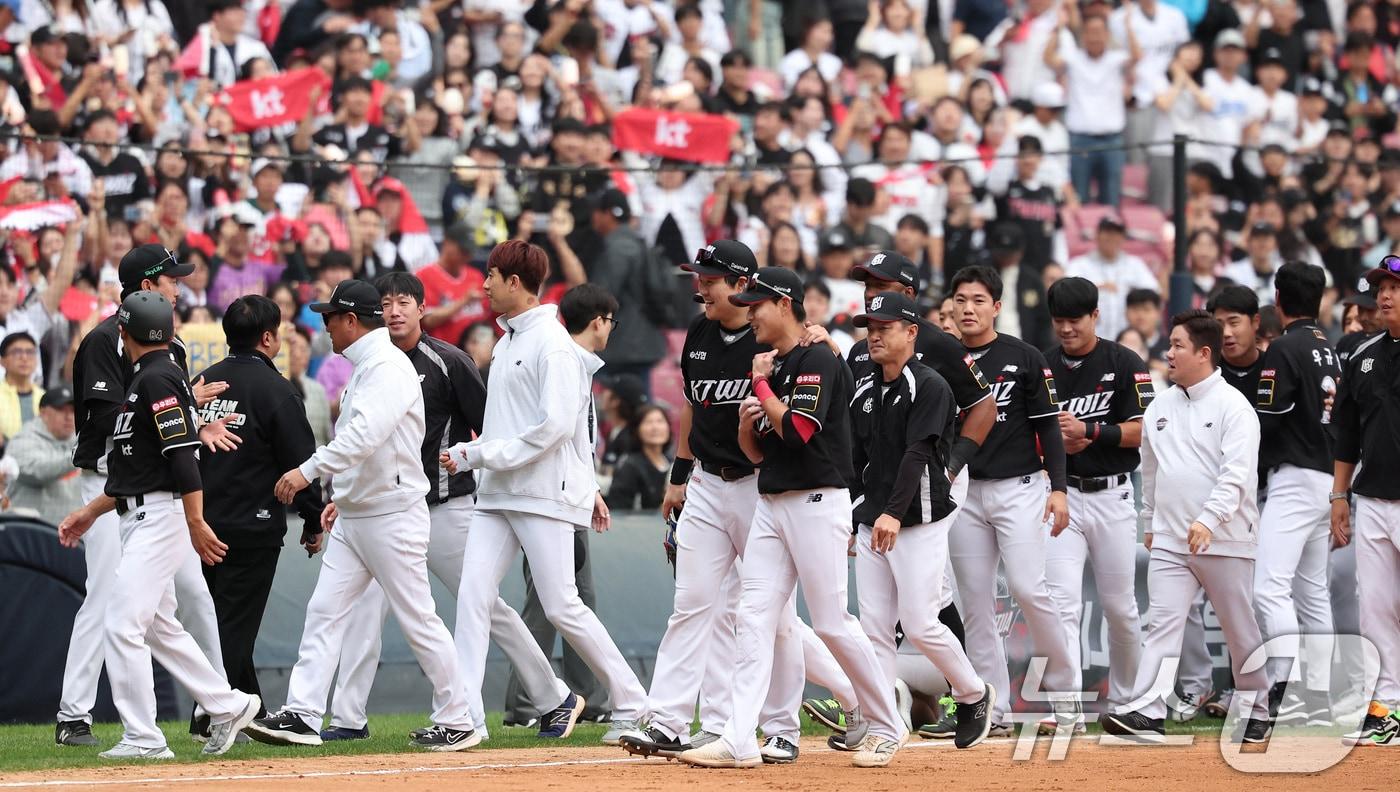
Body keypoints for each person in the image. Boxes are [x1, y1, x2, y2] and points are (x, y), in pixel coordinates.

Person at [622, 243, 857, 764]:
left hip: (759, 484)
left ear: (741, 283)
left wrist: (823, 340)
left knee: (772, 616)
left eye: (708, 277)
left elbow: (818, 368)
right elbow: (692, 404)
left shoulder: (781, 341)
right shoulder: (700, 334)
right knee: (692, 604)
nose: (698, 286)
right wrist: (679, 474)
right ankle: (667, 721)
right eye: (698, 276)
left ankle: (781, 727)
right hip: (707, 481)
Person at [321, 272, 578, 744]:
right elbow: (357, 442)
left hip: (445, 506)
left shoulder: (449, 361)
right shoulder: (368, 363)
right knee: (362, 611)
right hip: (381, 510)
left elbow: (493, 427)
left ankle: (553, 697)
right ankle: (348, 717)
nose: (395, 310)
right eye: (387, 303)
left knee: (485, 606)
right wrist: (344, 497)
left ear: (423, 310)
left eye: (405, 302)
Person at [677, 266, 904, 770]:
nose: (749, 313)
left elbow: (799, 430)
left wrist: (759, 388)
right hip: (772, 499)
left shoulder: (815, 359)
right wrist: (746, 426)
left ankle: (888, 722)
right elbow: (759, 454)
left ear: (783, 304)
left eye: (756, 304)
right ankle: (739, 736)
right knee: (753, 617)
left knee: (831, 623)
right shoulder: (779, 365)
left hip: (818, 501)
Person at [247, 279, 477, 752]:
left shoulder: (387, 367)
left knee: (417, 617)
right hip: (359, 513)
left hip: (392, 514)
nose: (324, 325)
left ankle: (459, 717)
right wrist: (342, 494)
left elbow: (365, 436)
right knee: (324, 611)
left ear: (351, 321)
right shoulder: (370, 364)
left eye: (330, 317)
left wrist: (307, 472)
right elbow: (369, 447)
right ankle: (305, 713)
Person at [444, 241, 649, 747]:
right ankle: (464, 717)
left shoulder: (553, 346)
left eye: (491, 275)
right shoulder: (507, 341)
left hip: (542, 495)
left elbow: (557, 427)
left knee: (562, 606)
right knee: (472, 597)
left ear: (515, 282)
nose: (484, 285)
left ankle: (635, 701)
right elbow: (510, 424)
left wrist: (480, 456)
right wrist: (482, 457)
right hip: (498, 495)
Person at [56, 291, 261, 759]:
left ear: (124, 333)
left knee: (122, 624)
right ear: (166, 333)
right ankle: (228, 705)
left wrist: (194, 521)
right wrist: (89, 513)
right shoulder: (149, 377)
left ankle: (143, 737)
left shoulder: (157, 377)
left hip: (161, 516)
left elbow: (183, 458)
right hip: (142, 511)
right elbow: (140, 469)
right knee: (157, 627)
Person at [1102, 310, 1272, 745]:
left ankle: (1256, 708)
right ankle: (1149, 711)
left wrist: (1208, 520)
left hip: (1226, 538)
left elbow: (1237, 476)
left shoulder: (1235, 407)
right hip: (1171, 540)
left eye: (1177, 345)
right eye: (1169, 344)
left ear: (1204, 353)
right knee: (1162, 624)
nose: (1169, 353)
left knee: (1239, 628)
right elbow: (1152, 473)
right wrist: (1150, 522)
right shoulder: (1159, 406)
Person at [848, 290, 995, 751]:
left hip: (921, 515)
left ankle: (972, 693)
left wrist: (892, 512)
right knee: (873, 626)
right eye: (870, 329)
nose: (874, 336)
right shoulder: (865, 387)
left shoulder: (930, 384)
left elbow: (918, 453)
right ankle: (882, 723)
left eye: (885, 328)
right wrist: (858, 515)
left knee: (918, 622)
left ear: (911, 333)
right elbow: (857, 456)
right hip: (875, 518)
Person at [947, 264, 1077, 734]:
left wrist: (1059, 489)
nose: (968, 308)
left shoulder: (1022, 356)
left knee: (1028, 589)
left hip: (1020, 488)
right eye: (961, 299)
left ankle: (1065, 700)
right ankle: (993, 708)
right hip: (964, 490)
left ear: (997, 307)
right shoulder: (941, 356)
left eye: (979, 300)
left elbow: (1049, 426)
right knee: (975, 601)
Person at [196, 296, 325, 725]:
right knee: (233, 627)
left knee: (226, 623)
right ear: (268, 338)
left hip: (200, 525)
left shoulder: (202, 382)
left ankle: (252, 715)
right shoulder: (278, 391)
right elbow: (301, 463)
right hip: (253, 528)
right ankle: (209, 713)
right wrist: (312, 519)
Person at [1043, 277, 1153, 728]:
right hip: (1060, 496)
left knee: (1120, 607)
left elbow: (1146, 429)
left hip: (1112, 494)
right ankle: (1066, 707)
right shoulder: (1043, 365)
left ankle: (1127, 702)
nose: (1067, 329)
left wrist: (1090, 432)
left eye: (1075, 320)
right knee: (1061, 603)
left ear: (1095, 316)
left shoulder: (1125, 361)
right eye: (1059, 321)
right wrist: (1050, 444)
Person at [1252, 262, 1342, 727]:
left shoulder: (1284, 347)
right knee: (1311, 593)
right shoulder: (1333, 349)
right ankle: (1320, 698)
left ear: (1279, 299)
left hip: (1295, 477)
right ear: (1320, 299)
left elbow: (1268, 417)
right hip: (1330, 480)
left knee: (1269, 586)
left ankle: (1282, 687)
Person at [1330, 259, 1400, 746]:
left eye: (1395, 287)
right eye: (1382, 287)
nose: (1386, 295)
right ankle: (1388, 707)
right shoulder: (1363, 355)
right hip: (1372, 495)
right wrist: (1339, 494)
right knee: (1375, 608)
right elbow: (1346, 433)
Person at [586, 189, 667, 392]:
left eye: (596, 211)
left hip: (622, 344)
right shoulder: (637, 242)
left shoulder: (618, 247)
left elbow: (603, 297)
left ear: (607, 215)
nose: (593, 216)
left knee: (627, 409)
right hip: (642, 339)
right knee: (638, 406)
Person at [1065, 215, 1160, 343]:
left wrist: (1131, 292)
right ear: (1097, 235)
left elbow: (1154, 294)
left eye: (1117, 233)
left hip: (1127, 342)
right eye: (1107, 232)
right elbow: (1065, 294)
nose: (1112, 237)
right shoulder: (1079, 265)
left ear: (1123, 237)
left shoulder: (1135, 265)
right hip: (1089, 341)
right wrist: (1097, 288)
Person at [5, 385, 81, 524]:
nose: (69, 417)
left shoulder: (80, 441)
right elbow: (37, 471)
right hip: (31, 531)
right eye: (61, 410)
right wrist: (77, 456)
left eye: (73, 411)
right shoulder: (23, 439)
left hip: (71, 534)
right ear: (43, 412)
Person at [606, 404, 672, 510]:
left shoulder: (672, 464)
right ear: (637, 430)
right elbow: (618, 509)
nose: (655, 427)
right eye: (648, 422)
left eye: (660, 421)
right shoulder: (629, 466)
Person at [1207, 285, 1265, 399]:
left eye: (1234, 323)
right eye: (1219, 324)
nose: (1226, 333)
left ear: (1255, 322)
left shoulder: (1273, 367)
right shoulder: (1207, 372)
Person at [0, 332, 44, 442]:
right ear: (2, 361)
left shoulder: (44, 396)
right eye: (16, 352)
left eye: (30, 352)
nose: (24, 358)